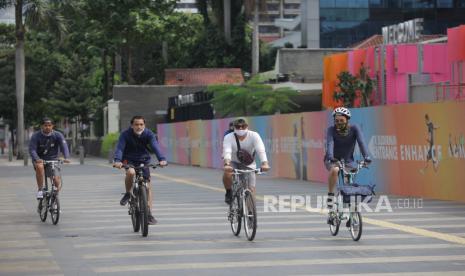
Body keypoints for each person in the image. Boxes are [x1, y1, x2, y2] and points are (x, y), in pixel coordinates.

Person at [113, 115, 167, 225]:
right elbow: (120, 148)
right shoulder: (125, 134)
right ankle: (128, 193)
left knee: (147, 185)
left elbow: (155, 146)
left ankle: (148, 214)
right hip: (129, 159)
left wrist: (162, 159)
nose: (139, 127)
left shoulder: (148, 134)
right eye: (136, 124)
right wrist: (118, 160)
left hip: (143, 160)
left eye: (141, 124)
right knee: (131, 172)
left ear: (144, 125)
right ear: (132, 125)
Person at [324, 107, 371, 220]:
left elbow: (361, 142)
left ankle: (351, 212)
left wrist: (367, 157)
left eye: (341, 121)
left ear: (347, 120)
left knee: (348, 185)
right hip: (332, 159)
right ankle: (330, 196)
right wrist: (331, 157)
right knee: (335, 170)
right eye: (336, 121)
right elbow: (330, 144)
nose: (339, 123)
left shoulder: (354, 129)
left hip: (348, 161)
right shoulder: (331, 130)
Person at [222, 118, 270, 204]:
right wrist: (227, 164)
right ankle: (229, 192)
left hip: (248, 163)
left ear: (247, 127)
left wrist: (265, 163)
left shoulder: (254, 135)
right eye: (238, 127)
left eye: (243, 126)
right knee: (227, 173)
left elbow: (260, 150)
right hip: (232, 161)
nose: (240, 129)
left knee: (251, 189)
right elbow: (227, 151)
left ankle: (251, 212)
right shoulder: (228, 137)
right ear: (234, 128)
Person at [29, 118, 70, 199]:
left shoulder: (57, 135)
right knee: (40, 167)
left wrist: (66, 157)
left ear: (52, 126)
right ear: (41, 126)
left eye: (49, 125)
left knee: (56, 180)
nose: (47, 127)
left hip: (52, 159)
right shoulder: (36, 136)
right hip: (39, 159)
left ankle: (55, 198)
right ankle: (40, 190)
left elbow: (64, 146)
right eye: (45, 125)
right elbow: (32, 149)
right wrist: (37, 159)